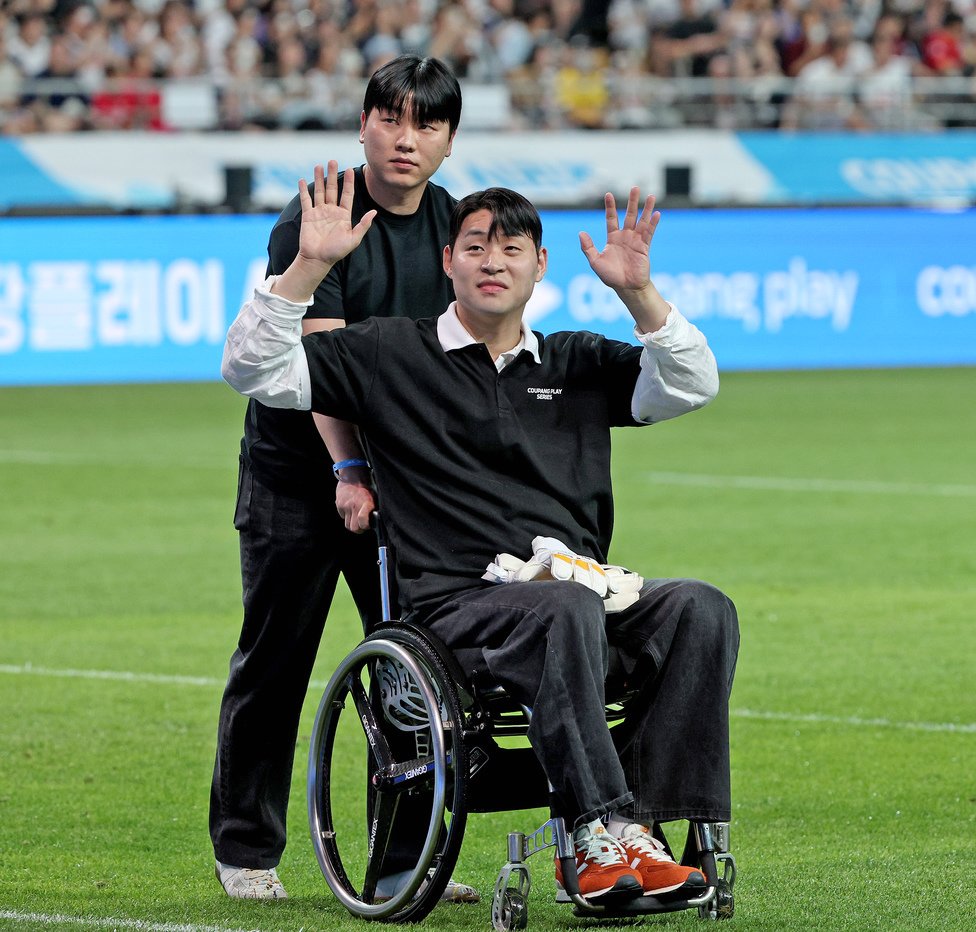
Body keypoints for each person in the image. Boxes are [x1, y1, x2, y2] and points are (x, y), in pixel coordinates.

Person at [222, 172, 739, 903]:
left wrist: (639, 294)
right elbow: (253, 369)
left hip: (573, 594)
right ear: (448, 262)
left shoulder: (575, 361)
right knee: (564, 607)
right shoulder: (389, 354)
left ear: (541, 265)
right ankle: (593, 833)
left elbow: (692, 385)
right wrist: (306, 269)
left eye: (512, 248)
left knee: (700, 607)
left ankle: (639, 833)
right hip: (453, 610)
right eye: (475, 247)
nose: (493, 261)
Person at [209, 54, 478, 902]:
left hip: (401, 481)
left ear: (448, 140)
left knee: (411, 670)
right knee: (276, 660)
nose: (406, 138)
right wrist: (351, 468)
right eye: (390, 119)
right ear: (363, 125)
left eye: (426, 124)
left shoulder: (455, 225)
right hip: (298, 473)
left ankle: (403, 861)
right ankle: (246, 850)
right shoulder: (319, 214)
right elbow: (323, 365)